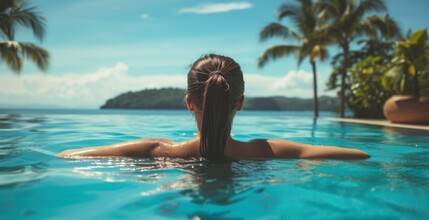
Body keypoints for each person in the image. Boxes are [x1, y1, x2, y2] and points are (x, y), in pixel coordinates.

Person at [58, 54, 370, 160]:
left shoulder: (157, 151)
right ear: (241, 103)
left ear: (189, 102)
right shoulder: (264, 152)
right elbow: (359, 155)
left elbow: (68, 155)